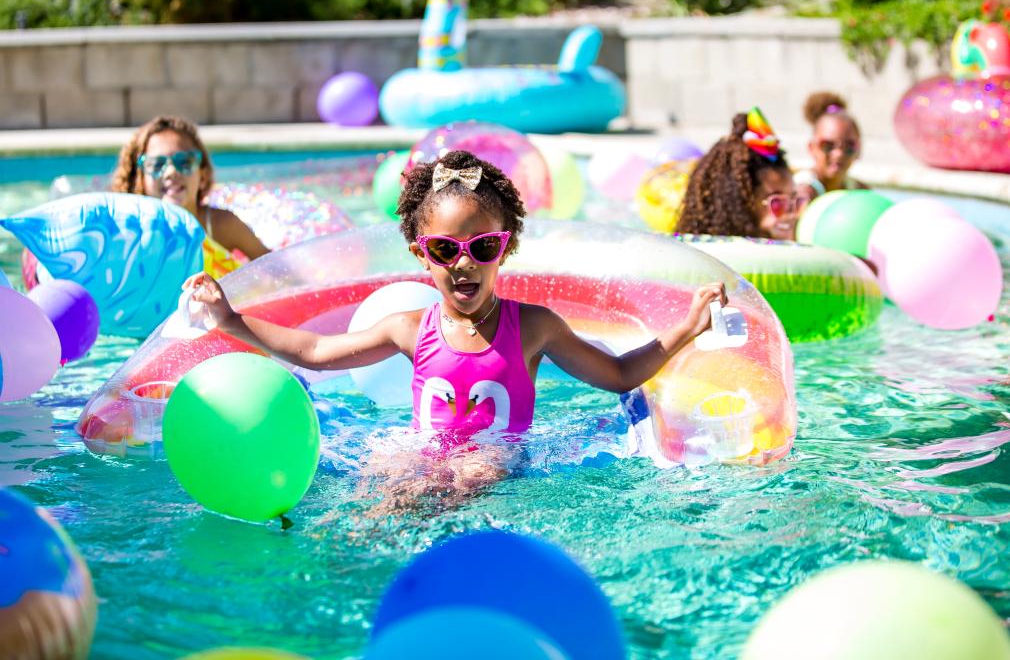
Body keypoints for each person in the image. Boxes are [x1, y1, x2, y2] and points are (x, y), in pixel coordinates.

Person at [184, 150, 725, 510]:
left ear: (505, 247)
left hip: (496, 461)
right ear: (422, 254)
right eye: (445, 249)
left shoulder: (533, 327)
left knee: (469, 476)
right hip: (422, 448)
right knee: (379, 494)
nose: (462, 264)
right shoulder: (407, 328)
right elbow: (318, 351)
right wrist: (230, 319)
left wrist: (689, 327)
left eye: (481, 247)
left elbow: (618, 374)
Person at [111, 115, 269, 277]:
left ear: (203, 174)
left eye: (184, 162)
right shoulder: (131, 234)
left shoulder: (221, 225)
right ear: (140, 179)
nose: (171, 172)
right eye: (157, 164)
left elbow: (276, 270)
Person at [675, 108, 804, 241]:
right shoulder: (701, 255)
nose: (791, 214)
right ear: (739, 204)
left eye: (796, 201)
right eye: (777, 202)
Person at [796, 92, 865, 199]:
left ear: (859, 149)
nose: (839, 154)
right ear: (811, 147)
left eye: (849, 146)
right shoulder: (802, 193)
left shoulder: (861, 192)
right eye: (828, 145)